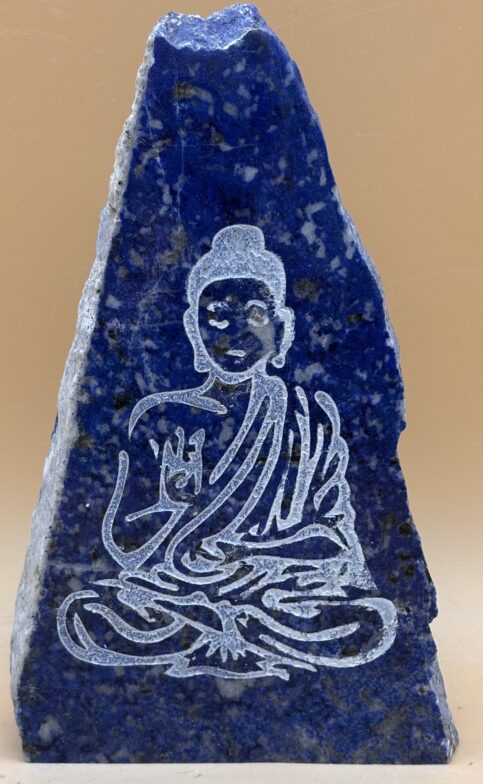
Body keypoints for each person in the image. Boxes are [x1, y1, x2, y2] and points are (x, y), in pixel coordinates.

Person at [58, 224, 397, 679]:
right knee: (84, 614)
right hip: (178, 594)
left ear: (282, 329)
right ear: (193, 328)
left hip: (273, 595)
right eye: (217, 317)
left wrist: (250, 558)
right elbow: (123, 546)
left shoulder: (307, 417)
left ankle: (221, 630)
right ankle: (230, 630)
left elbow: (336, 542)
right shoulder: (160, 416)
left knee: (373, 622)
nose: (235, 333)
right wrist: (177, 505)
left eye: (255, 315)